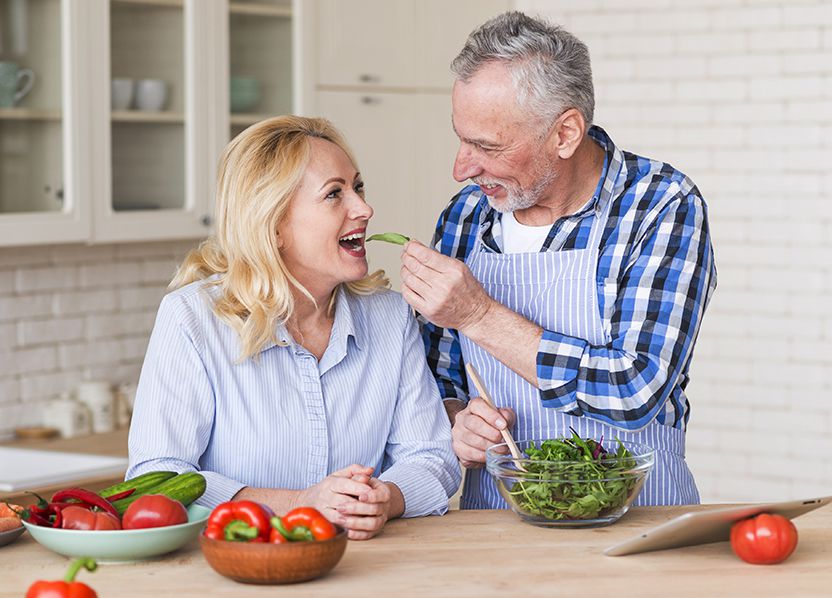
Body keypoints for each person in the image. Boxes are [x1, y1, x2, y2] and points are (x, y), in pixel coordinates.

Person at [400, 12, 716, 509]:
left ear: (565, 133)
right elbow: (436, 380)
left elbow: (634, 389)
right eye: (461, 138)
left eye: (486, 145)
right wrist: (458, 419)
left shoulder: (660, 206)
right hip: (499, 524)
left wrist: (479, 316)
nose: (460, 168)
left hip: (638, 517)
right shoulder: (464, 218)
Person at [128, 116, 460, 540]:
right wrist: (298, 504)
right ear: (274, 225)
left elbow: (432, 456)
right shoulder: (193, 319)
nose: (364, 209)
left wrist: (388, 497)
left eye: (357, 188)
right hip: (239, 571)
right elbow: (157, 478)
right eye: (334, 194)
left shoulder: (391, 317)